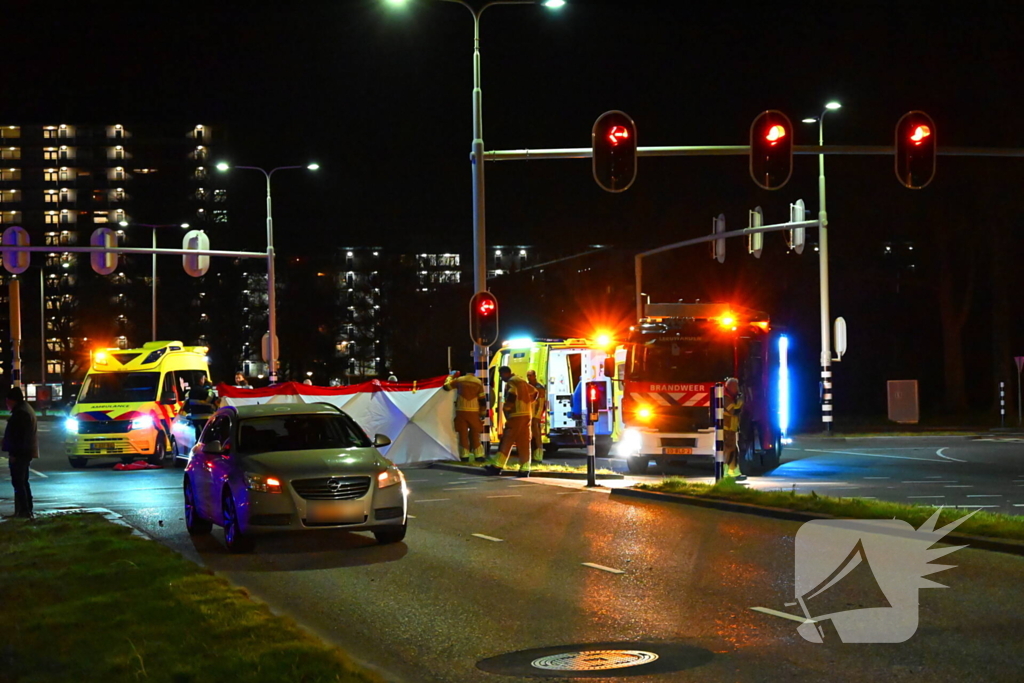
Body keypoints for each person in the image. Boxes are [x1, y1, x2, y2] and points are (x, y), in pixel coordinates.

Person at [487, 366, 537, 476]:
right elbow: (534, 391)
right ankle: (525, 469)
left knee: (507, 439)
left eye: (501, 375)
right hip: (527, 415)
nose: (501, 378)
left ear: (505, 373)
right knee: (524, 442)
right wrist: (527, 403)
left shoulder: (511, 382)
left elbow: (512, 394)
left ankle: (497, 466)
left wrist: (507, 408)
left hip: (516, 415)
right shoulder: (521, 381)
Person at [3, 386, 39, 519]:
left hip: (21, 453)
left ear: (12, 400)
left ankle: (24, 511)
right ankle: (25, 510)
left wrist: (14, 454)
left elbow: (19, 437)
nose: (7, 405)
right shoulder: (25, 410)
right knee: (23, 481)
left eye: (7, 402)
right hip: (25, 452)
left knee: (19, 482)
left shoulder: (21, 413)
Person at [443, 369, 485, 464]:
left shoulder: (459, 380)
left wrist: (450, 376)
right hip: (474, 411)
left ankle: (464, 456)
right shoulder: (478, 382)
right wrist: (482, 412)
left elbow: (446, 387)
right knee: (475, 434)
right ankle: (479, 455)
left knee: (463, 434)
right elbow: (482, 399)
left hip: (461, 411)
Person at [723, 377, 746, 481]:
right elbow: (734, 411)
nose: (737, 389)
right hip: (726, 429)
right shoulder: (725, 398)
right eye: (736, 386)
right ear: (731, 387)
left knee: (733, 450)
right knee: (728, 451)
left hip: (731, 428)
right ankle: (725, 472)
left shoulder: (730, 396)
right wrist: (740, 401)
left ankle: (733, 472)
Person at [526, 369, 548, 464]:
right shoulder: (528, 386)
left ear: (534, 376)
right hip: (529, 413)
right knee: (530, 435)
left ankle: (538, 455)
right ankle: (532, 454)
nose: (529, 377)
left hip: (536, 414)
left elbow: (541, 402)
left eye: (530, 375)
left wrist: (537, 416)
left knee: (537, 434)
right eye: (528, 375)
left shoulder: (539, 387)